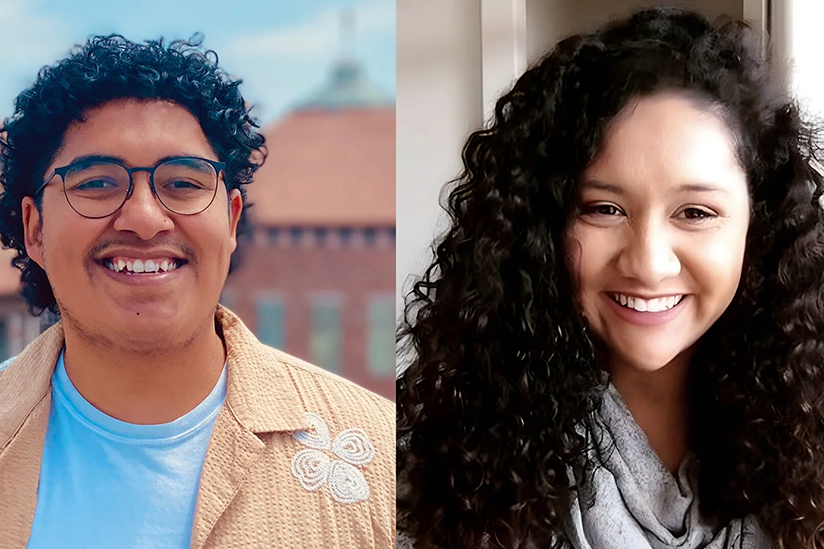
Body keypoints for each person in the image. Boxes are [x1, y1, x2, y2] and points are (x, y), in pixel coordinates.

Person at [397, 7, 824, 549]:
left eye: (695, 213)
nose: (647, 263)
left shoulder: (807, 451)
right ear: (543, 223)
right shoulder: (441, 476)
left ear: (757, 227)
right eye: (604, 209)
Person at [0, 35, 394, 549]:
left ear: (230, 222)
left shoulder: (384, 457)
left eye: (183, 183)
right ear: (35, 230)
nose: (143, 218)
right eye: (96, 182)